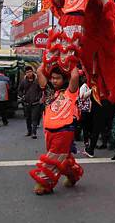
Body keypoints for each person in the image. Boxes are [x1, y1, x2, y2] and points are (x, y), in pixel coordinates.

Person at [30, 66, 83, 195]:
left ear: (64, 79)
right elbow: (39, 71)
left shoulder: (70, 91)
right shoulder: (48, 91)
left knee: (53, 158)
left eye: (57, 78)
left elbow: (75, 76)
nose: (54, 81)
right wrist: (50, 57)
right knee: (62, 158)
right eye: (52, 78)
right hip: (49, 131)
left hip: (64, 130)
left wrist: (68, 58)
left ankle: (44, 184)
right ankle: (73, 174)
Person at [18, 66, 43, 139]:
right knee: (28, 118)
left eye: (30, 72)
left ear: (33, 72)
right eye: (27, 72)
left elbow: (41, 90)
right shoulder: (23, 81)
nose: (29, 73)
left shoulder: (37, 80)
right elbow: (19, 90)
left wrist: (38, 97)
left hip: (36, 103)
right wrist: (22, 96)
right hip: (26, 103)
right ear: (26, 73)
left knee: (34, 118)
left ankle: (34, 133)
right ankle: (29, 131)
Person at [77, 76, 92, 148]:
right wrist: (91, 91)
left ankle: (87, 140)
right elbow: (82, 97)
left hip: (88, 109)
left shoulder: (88, 87)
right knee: (85, 127)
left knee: (88, 126)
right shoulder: (83, 87)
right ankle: (86, 141)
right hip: (84, 110)